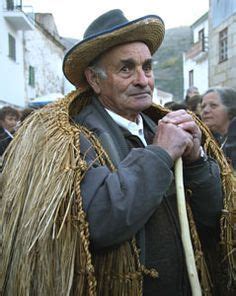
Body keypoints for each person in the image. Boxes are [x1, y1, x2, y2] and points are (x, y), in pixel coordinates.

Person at [1, 9, 235, 296]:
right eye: (126, 68)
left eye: (147, 67)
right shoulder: (75, 140)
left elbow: (214, 216)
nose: (142, 80)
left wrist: (196, 161)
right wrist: (161, 154)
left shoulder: (161, 128)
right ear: (95, 79)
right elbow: (100, 224)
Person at [201, 87, 236, 170]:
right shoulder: (209, 140)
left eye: (213, 105)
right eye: (203, 106)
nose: (205, 110)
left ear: (230, 109)